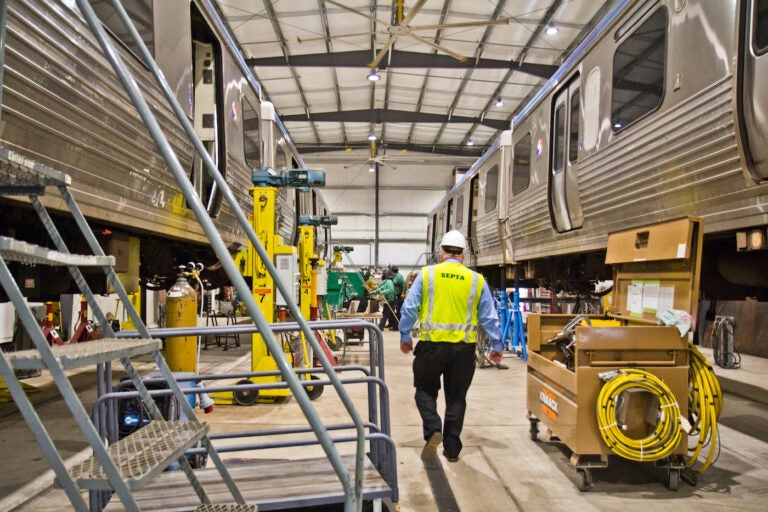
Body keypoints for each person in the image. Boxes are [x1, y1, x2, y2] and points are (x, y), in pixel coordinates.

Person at [399, 230, 504, 463]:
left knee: (425, 391)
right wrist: (496, 343)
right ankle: (452, 449)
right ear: (463, 256)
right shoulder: (476, 280)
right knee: (457, 398)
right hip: (463, 351)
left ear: (441, 253)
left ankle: (434, 429)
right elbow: (489, 317)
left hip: (431, 347)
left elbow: (408, 309)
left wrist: (405, 335)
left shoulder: (427, 275)